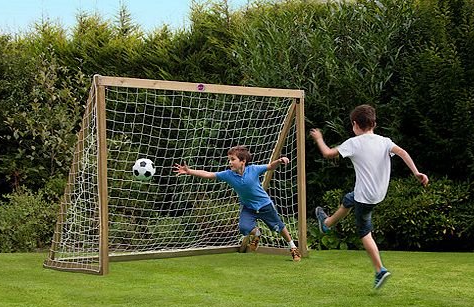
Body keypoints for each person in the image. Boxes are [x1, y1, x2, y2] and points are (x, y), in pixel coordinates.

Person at [310, 104, 428, 289]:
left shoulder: (353, 143)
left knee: (364, 232)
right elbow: (403, 153)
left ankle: (380, 270)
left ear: (355, 124)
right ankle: (326, 224)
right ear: (374, 123)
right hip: (377, 192)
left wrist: (319, 138)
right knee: (349, 199)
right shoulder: (385, 141)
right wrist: (416, 172)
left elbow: (327, 153)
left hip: (366, 197)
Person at [173, 145, 302, 262]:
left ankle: (293, 248)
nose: (230, 162)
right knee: (244, 228)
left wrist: (279, 161)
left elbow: (270, 166)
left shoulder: (254, 169)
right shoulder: (228, 175)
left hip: (264, 205)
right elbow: (208, 174)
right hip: (248, 208)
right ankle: (257, 233)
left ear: (243, 161)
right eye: (229, 160)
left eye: (233, 159)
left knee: (278, 227)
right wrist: (189, 171)